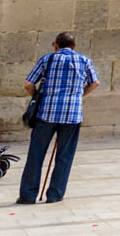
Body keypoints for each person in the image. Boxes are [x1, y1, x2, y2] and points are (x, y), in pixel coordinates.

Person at [17, 32, 100, 203]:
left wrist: (36, 97)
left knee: (36, 154)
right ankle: (55, 195)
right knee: (64, 156)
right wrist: (80, 96)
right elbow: (95, 82)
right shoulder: (84, 61)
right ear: (74, 46)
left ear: (55, 45)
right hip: (72, 114)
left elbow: (28, 84)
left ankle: (28, 195)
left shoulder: (47, 59)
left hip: (46, 113)